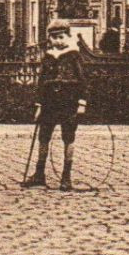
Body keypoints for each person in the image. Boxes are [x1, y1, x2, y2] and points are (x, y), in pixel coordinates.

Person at [21, 21, 88, 191]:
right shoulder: (48, 56)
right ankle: (39, 174)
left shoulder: (74, 55)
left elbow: (83, 81)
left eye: (61, 37)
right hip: (50, 102)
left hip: (69, 101)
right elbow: (42, 82)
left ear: (68, 36)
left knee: (68, 137)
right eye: (54, 38)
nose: (58, 41)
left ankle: (66, 177)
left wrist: (82, 102)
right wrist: (39, 104)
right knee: (43, 136)